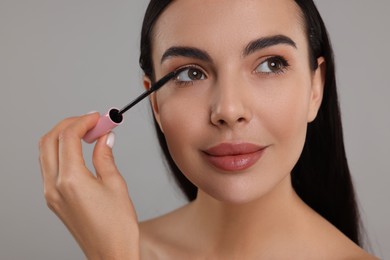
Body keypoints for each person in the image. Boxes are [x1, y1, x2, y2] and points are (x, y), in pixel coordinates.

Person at [39, 0, 378, 258]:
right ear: (154, 102)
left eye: (271, 64)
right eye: (190, 74)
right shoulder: (117, 246)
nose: (229, 111)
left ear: (315, 88)